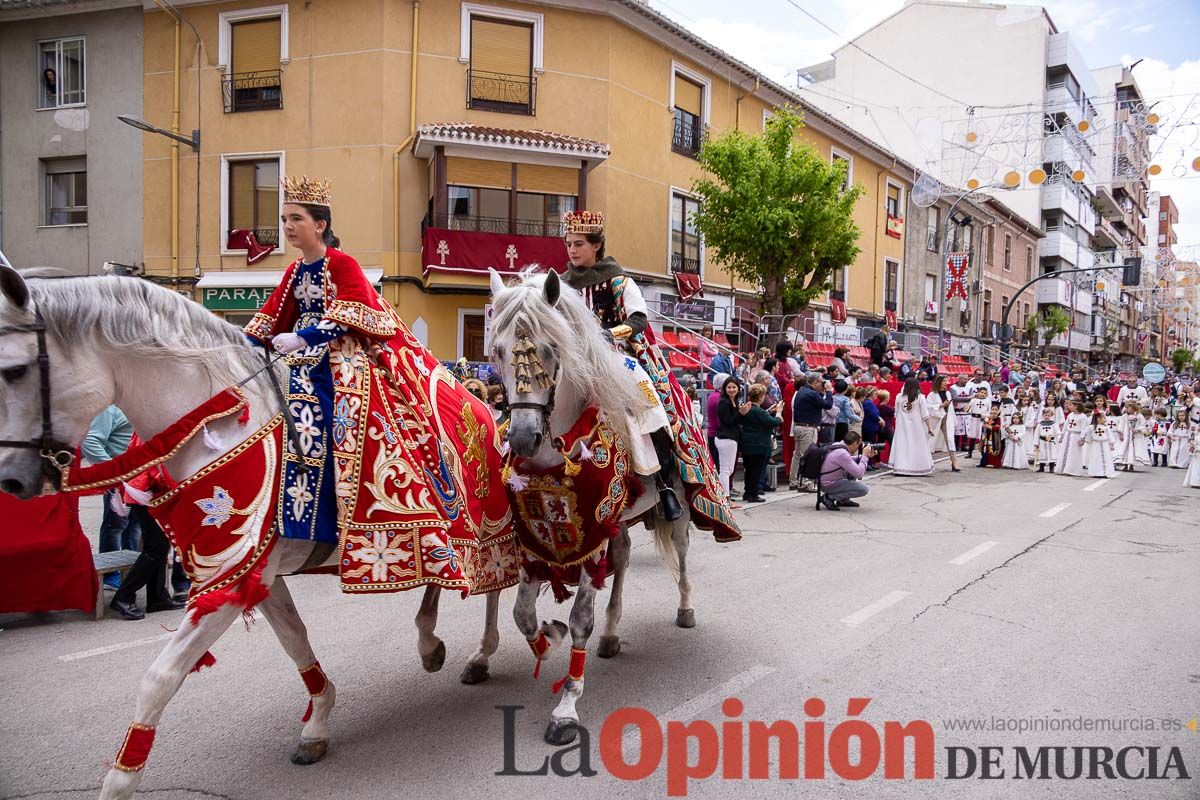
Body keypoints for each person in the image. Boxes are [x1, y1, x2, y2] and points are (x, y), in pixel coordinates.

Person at [245, 175, 509, 592]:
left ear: (319, 224)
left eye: (296, 218)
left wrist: (306, 335)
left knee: (352, 418)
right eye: (284, 219)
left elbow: (358, 312)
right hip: (299, 354)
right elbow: (269, 316)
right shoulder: (295, 270)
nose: (287, 226)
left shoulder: (342, 264)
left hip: (342, 357)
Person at [562, 210, 738, 528]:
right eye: (569, 243)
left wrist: (609, 334)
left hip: (617, 354)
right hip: (574, 357)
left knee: (651, 407)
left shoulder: (618, 280)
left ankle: (664, 483)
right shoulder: (560, 285)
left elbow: (639, 319)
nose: (572, 250)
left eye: (578, 244)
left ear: (596, 245)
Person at [82, 406, 140, 590]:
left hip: (136, 478)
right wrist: (111, 473)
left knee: (134, 527)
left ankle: (131, 573)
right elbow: (90, 441)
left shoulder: (131, 403)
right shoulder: (108, 410)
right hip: (120, 479)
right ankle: (110, 576)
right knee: (115, 526)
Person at [790, 374, 833, 491]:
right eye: (820, 383)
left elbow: (817, 402)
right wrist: (829, 391)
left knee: (797, 455)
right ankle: (805, 483)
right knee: (807, 455)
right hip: (808, 428)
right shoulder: (811, 393)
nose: (822, 385)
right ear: (815, 382)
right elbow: (828, 405)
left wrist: (823, 392)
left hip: (799, 426)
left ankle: (793, 481)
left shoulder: (802, 391)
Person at [739, 384, 782, 503]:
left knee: (748, 470)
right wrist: (778, 413)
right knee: (756, 471)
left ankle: (748, 492)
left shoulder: (748, 408)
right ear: (760, 397)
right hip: (759, 444)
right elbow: (773, 422)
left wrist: (769, 411)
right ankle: (753, 493)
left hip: (747, 444)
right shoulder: (758, 411)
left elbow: (760, 417)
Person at [888, 377, 934, 476]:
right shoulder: (921, 397)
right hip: (917, 428)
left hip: (902, 428)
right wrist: (930, 427)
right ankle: (918, 468)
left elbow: (896, 413)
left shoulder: (899, 397)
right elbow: (925, 415)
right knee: (917, 447)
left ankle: (901, 467)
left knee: (903, 446)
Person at [818, 431, 874, 511]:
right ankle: (828, 498)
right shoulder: (842, 453)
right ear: (854, 443)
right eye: (858, 445)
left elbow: (848, 461)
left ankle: (843, 500)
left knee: (851, 471)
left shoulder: (837, 445)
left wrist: (864, 456)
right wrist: (865, 456)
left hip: (822, 481)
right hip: (828, 484)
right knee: (863, 489)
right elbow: (859, 473)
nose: (858, 447)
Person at [714, 376, 746, 504]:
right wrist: (741, 413)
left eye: (734, 387)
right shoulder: (723, 402)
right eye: (729, 387)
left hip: (731, 438)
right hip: (725, 439)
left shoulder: (734, 401)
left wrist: (743, 413)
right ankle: (725, 498)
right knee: (725, 470)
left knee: (729, 470)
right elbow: (728, 422)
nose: (732, 389)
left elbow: (737, 421)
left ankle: (725, 497)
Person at [925, 375, 961, 471]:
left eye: (946, 381)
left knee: (950, 439)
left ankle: (954, 463)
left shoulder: (948, 393)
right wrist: (941, 405)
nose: (946, 383)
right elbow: (928, 407)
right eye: (944, 381)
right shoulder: (932, 395)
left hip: (947, 418)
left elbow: (951, 407)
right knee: (930, 441)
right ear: (939, 382)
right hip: (936, 420)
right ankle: (926, 463)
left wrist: (953, 419)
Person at [1082, 410, 1117, 478]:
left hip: (1105, 445)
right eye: (1104, 418)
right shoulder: (1091, 427)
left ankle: (1104, 472)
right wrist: (1087, 441)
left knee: (1105, 458)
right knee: (1095, 458)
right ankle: (1095, 472)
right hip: (1095, 445)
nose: (1105, 419)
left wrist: (1112, 444)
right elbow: (1088, 436)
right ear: (1098, 419)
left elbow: (1110, 436)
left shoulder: (1106, 428)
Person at [1057, 401, 1089, 477]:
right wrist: (1062, 435)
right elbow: (1065, 425)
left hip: (1076, 436)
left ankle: (1072, 470)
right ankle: (1063, 468)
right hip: (1068, 435)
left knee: (1074, 453)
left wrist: (1082, 438)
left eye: (1070, 405)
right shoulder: (1070, 415)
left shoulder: (1083, 416)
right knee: (1065, 451)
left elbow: (1084, 428)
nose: (1068, 406)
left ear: (1076, 406)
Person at [1034, 407, 1060, 473]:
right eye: (1045, 415)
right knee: (1042, 454)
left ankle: (1051, 468)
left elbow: (1057, 432)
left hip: (1050, 441)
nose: (1047, 417)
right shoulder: (1040, 424)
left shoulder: (1054, 424)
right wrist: (1036, 443)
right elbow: (1036, 434)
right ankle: (1041, 468)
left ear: (1051, 416)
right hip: (1042, 441)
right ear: (1043, 415)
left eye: (1048, 415)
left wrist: (1059, 438)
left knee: (1052, 454)